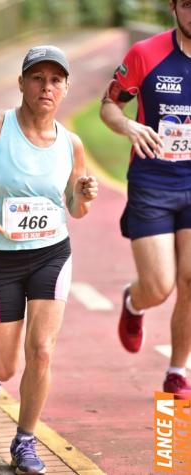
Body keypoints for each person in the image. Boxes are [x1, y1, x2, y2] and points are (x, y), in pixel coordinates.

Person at [0, 44, 98, 474]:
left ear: (65, 88)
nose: (46, 87)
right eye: (37, 78)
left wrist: (83, 196)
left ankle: (24, 441)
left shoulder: (72, 144)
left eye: (55, 80)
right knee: (7, 367)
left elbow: (74, 209)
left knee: (42, 351)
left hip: (51, 254)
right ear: (22, 83)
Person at [100, 0, 191, 399]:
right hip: (153, 183)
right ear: (174, 8)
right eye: (188, 4)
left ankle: (177, 371)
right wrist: (128, 126)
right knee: (159, 287)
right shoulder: (146, 54)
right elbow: (109, 106)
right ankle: (134, 303)